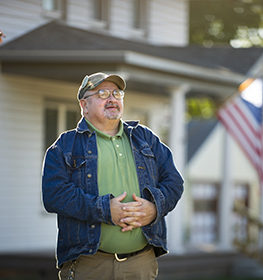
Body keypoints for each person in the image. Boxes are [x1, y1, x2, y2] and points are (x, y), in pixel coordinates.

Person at [41, 72, 184, 280]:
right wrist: (104, 209)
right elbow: (54, 195)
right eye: (102, 93)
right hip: (89, 265)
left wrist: (154, 208)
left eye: (117, 93)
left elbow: (174, 182)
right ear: (84, 104)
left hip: (141, 264)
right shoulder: (65, 146)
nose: (112, 99)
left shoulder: (144, 138)